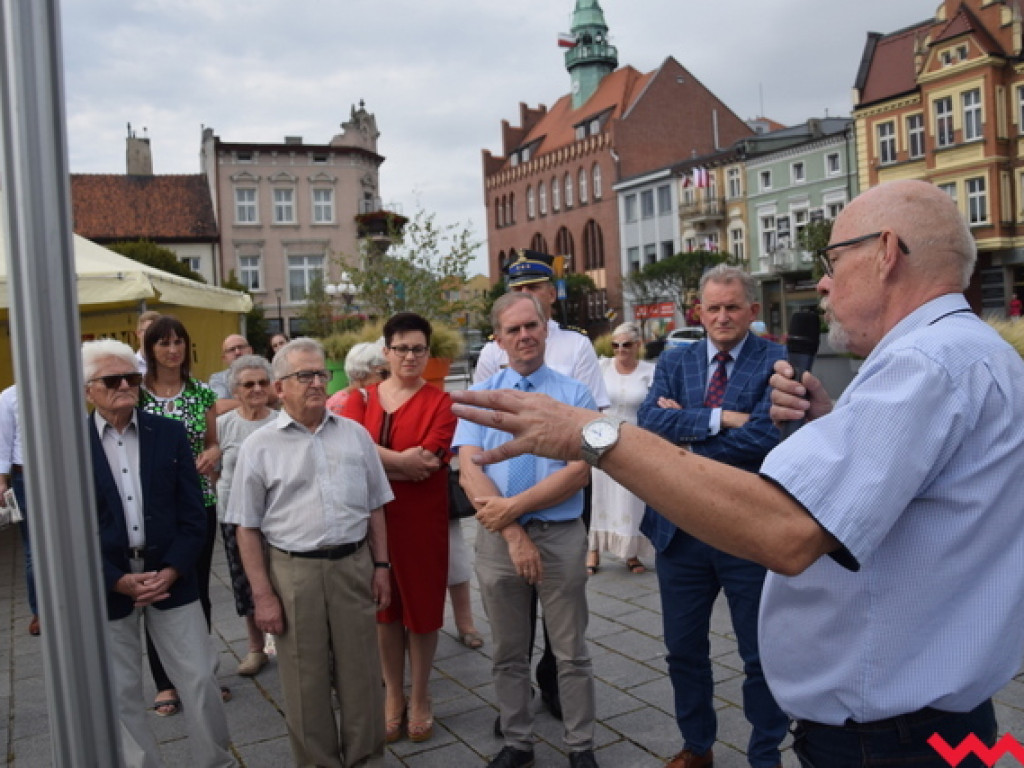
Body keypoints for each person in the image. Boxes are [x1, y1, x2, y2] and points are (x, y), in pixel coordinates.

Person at [449, 179, 1024, 768]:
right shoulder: (968, 351)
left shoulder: (924, 364)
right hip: (919, 720)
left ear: (886, 252)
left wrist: (592, 434)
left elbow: (788, 531)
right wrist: (830, 422)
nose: (823, 283)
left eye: (833, 260)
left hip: (893, 736)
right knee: (683, 651)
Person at [638, 265, 788, 768]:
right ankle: (696, 746)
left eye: (732, 307)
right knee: (683, 651)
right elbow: (649, 422)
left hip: (746, 531)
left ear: (752, 310)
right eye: (713, 308)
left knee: (759, 655)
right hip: (678, 532)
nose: (722, 317)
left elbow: (765, 436)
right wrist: (721, 418)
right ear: (698, 312)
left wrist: (683, 439)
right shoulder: (674, 359)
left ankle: (764, 754)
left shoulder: (776, 362)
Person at [226, 337, 393, 768]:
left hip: (354, 565)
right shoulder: (259, 446)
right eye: (305, 375)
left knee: (362, 677)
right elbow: (246, 527)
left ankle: (366, 760)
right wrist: (262, 595)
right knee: (305, 683)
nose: (317, 382)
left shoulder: (355, 436)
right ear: (280, 387)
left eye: (321, 373)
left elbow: (376, 505)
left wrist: (381, 566)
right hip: (293, 573)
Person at [454, 291, 600, 768]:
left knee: (571, 652)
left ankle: (581, 746)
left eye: (531, 326)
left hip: (559, 535)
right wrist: (514, 532)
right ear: (497, 339)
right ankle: (517, 742)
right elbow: (469, 471)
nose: (524, 336)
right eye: (513, 329)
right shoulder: (478, 398)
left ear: (545, 328)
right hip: (499, 539)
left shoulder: (574, 396)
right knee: (508, 652)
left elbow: (580, 471)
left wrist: (513, 509)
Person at [82, 339, 234, 768]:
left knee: (200, 677)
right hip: (109, 580)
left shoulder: (167, 432)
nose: (125, 386)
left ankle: (216, 762)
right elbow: (67, 528)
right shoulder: (70, 446)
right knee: (120, 691)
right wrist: (113, 578)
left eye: (131, 377)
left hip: (170, 575)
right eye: (113, 380)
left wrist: (172, 570)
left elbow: (194, 512)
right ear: (89, 390)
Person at [475, 248, 609, 725]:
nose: (523, 333)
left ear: (551, 295)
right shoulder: (491, 359)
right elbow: (478, 437)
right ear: (500, 336)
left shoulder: (576, 348)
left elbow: (594, 430)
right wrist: (507, 516)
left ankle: (557, 689)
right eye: (518, 290)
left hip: (561, 497)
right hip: (505, 508)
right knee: (511, 625)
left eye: (534, 289)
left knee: (565, 618)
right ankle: (517, 709)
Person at [341, 313, 456, 744]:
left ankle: (421, 695)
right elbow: (353, 454)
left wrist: (377, 460)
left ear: (428, 353)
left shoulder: (441, 402)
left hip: (421, 522)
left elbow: (428, 462)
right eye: (401, 348)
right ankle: (393, 694)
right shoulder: (361, 399)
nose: (410, 356)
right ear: (386, 352)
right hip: (372, 521)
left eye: (418, 349)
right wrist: (399, 462)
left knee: (422, 609)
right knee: (383, 609)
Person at [140, 315, 225, 717]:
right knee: (157, 589)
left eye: (179, 342)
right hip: (152, 508)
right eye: (164, 343)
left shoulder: (201, 392)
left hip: (198, 504)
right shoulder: (136, 395)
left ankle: (202, 674)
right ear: (150, 349)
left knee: (198, 589)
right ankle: (164, 682)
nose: (173, 350)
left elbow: (213, 443)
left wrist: (213, 453)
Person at [216, 355, 277, 677]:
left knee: (281, 580)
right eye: (248, 384)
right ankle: (256, 648)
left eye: (262, 382)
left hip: (276, 516)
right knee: (245, 581)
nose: (256, 389)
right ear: (235, 390)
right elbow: (213, 469)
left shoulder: (281, 422)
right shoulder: (223, 425)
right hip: (235, 516)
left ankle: (286, 642)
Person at [586, 322, 655, 576]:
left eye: (626, 345)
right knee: (599, 496)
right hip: (602, 438)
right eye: (615, 345)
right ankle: (593, 550)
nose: (620, 350)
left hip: (634, 440)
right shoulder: (602, 367)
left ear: (637, 345)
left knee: (630, 498)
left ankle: (630, 552)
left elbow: (655, 405)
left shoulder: (650, 371)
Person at [0, 385, 38, 635]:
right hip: (26, 477)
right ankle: (40, 611)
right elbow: (3, 442)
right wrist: (2, 481)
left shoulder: (65, 389)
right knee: (34, 549)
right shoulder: (9, 396)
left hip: (65, 472)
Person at [326, 341, 389, 416]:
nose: (389, 379)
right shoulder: (342, 404)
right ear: (362, 373)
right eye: (384, 373)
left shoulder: (363, 397)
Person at [134, 310, 161, 376]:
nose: (153, 335)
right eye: (148, 330)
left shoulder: (170, 364)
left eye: (157, 331)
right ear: (138, 333)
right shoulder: (130, 365)